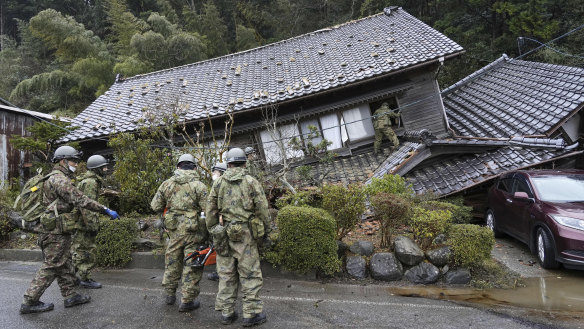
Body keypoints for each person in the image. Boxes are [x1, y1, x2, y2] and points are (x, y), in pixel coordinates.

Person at [20, 146, 120, 314]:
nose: (76, 164)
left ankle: (70, 296)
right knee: (52, 265)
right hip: (54, 231)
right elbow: (79, 198)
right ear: (63, 161)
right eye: (73, 160)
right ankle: (30, 300)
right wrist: (104, 209)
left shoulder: (52, 177)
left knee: (64, 263)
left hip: (57, 228)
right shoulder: (59, 179)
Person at [206, 147, 270, 327]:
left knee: (226, 273)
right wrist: (267, 230)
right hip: (246, 233)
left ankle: (227, 313)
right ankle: (251, 314)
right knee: (250, 273)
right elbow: (263, 209)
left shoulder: (218, 184)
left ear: (228, 163)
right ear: (245, 162)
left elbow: (210, 210)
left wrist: (213, 230)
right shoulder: (251, 181)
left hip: (224, 232)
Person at [150, 154, 208, 312]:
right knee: (192, 263)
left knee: (172, 261)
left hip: (174, 229)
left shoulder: (166, 184)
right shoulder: (199, 185)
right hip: (193, 230)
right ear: (194, 168)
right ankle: (187, 301)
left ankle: (170, 295)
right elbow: (209, 210)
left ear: (178, 167)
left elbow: (155, 205)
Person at [71, 155, 109, 289]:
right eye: (103, 167)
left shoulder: (88, 180)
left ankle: (70, 278)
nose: (105, 169)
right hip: (84, 223)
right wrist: (92, 226)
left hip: (80, 222)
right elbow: (87, 207)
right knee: (86, 251)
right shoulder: (91, 183)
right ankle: (84, 279)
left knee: (79, 250)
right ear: (96, 169)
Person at [207, 162, 226, 282]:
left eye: (215, 172)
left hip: (221, 222)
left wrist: (212, 226)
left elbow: (211, 208)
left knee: (221, 249)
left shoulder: (218, 186)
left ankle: (220, 273)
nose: (213, 174)